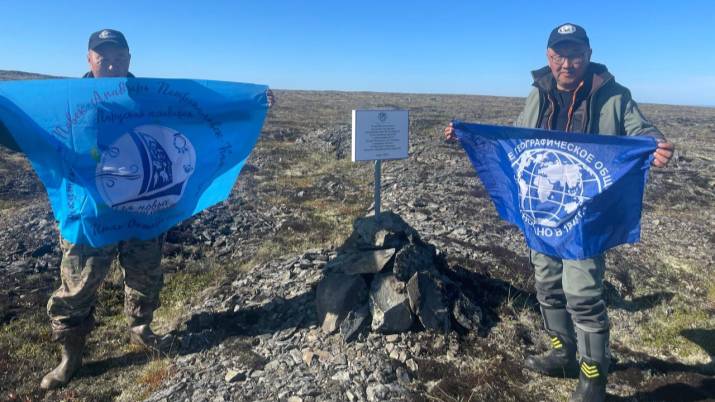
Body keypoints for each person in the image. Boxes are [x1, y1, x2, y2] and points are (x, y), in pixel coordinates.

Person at [444, 23, 673, 402]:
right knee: (547, 284)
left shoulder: (614, 95)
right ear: (549, 57)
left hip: (586, 215)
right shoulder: (539, 92)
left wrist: (655, 143)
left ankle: (593, 380)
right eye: (558, 56)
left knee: (583, 295)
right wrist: (469, 136)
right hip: (543, 212)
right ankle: (562, 354)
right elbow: (516, 137)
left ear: (588, 54)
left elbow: (640, 129)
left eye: (575, 55)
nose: (567, 64)